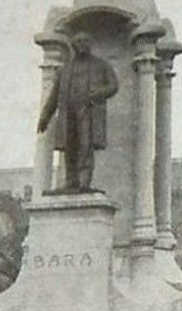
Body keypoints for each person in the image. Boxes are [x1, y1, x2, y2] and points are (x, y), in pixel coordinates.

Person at [36, 33, 119, 193]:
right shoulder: (64, 70)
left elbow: (113, 85)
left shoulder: (100, 65)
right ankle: (70, 181)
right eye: (79, 41)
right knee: (69, 147)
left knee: (85, 145)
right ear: (73, 45)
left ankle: (84, 182)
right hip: (68, 112)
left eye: (86, 41)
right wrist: (45, 117)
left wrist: (98, 93)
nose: (82, 44)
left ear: (90, 44)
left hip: (88, 110)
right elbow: (54, 96)